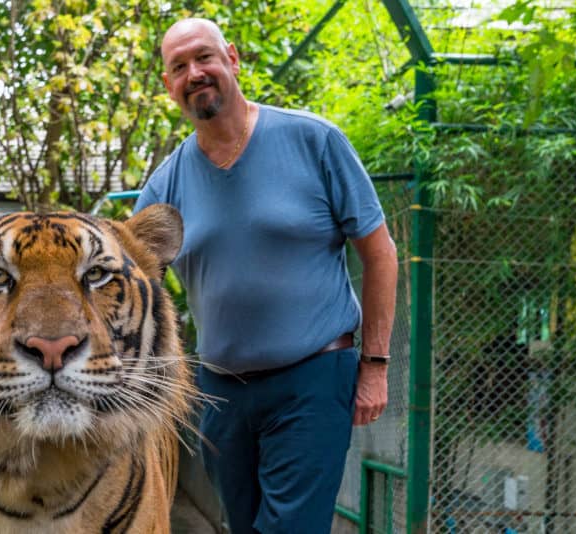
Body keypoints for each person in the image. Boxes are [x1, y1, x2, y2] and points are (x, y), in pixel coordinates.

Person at [133, 18, 398, 534]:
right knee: (242, 526)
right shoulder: (164, 185)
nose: (195, 73)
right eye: (179, 66)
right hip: (221, 393)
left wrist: (375, 365)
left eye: (204, 57)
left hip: (313, 378)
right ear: (168, 85)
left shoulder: (314, 140)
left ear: (232, 58)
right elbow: (130, 282)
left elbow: (381, 254)